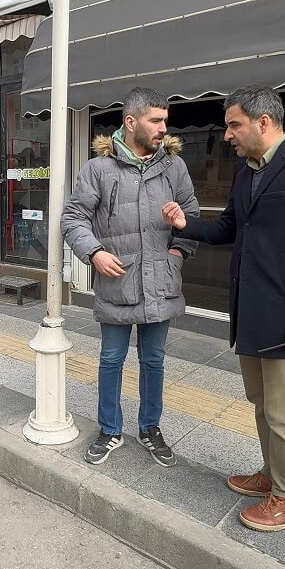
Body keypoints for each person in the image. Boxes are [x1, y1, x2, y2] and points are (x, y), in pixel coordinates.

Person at [163, 84, 285, 533]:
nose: (227, 135)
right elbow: (231, 227)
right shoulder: (249, 172)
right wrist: (187, 224)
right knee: (262, 403)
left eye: (234, 125)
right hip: (253, 314)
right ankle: (272, 473)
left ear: (264, 122)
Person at [61, 86, 200, 468]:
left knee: (153, 360)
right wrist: (94, 252)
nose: (163, 128)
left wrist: (178, 252)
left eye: (165, 121)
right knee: (111, 359)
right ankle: (110, 429)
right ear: (131, 122)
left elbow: (191, 214)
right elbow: (73, 218)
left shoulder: (174, 167)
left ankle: (150, 428)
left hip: (161, 282)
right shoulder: (98, 169)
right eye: (156, 121)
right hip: (117, 284)